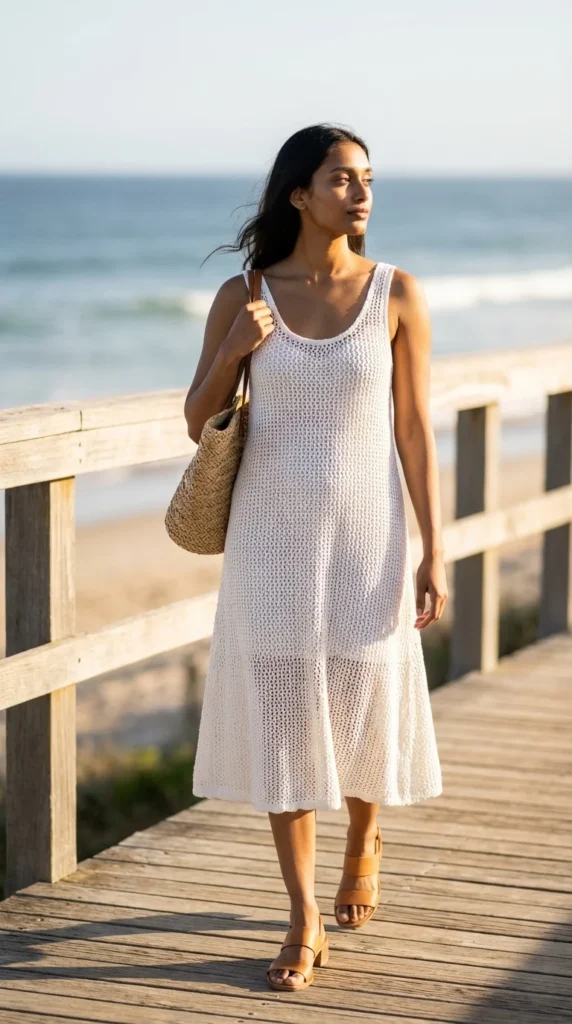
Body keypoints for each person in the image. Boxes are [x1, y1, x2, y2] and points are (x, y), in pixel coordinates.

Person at [184, 123, 447, 992]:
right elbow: (198, 415)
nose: (361, 192)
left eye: (366, 178)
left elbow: (413, 429)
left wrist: (434, 548)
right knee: (287, 716)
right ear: (299, 193)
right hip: (271, 543)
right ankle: (301, 918)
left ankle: (365, 836)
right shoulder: (246, 291)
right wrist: (234, 349)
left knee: (365, 698)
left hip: (371, 537)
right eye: (342, 178)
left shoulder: (397, 294)